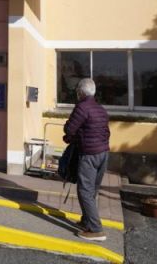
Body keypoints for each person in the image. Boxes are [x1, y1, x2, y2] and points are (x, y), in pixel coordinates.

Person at [63, 78, 110, 242]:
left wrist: (70, 136)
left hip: (89, 154)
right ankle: (87, 221)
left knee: (84, 191)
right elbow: (106, 132)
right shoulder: (100, 109)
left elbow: (70, 129)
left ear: (81, 92)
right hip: (104, 153)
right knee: (92, 190)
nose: (77, 93)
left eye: (77, 91)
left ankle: (96, 230)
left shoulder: (82, 107)